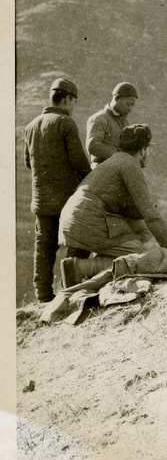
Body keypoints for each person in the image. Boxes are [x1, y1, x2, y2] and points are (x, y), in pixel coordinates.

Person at [58, 124, 167, 288]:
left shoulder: (114, 161)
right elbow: (150, 214)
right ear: (143, 150)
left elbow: (132, 210)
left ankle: (90, 265)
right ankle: (80, 267)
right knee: (144, 261)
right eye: (149, 148)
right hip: (90, 221)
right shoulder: (130, 164)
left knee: (141, 234)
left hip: (74, 218)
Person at [23, 78, 91, 303]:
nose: (74, 106)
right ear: (67, 99)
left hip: (41, 201)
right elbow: (78, 161)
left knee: (44, 248)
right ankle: (70, 289)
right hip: (65, 199)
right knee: (78, 241)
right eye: (74, 101)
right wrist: (91, 178)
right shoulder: (65, 123)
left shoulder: (31, 126)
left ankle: (43, 295)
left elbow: (28, 163)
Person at [86, 82, 139, 168]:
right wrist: (120, 155)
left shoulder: (126, 123)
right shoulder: (100, 118)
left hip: (119, 168)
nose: (130, 109)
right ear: (117, 98)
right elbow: (92, 146)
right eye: (128, 104)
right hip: (102, 168)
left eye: (132, 105)